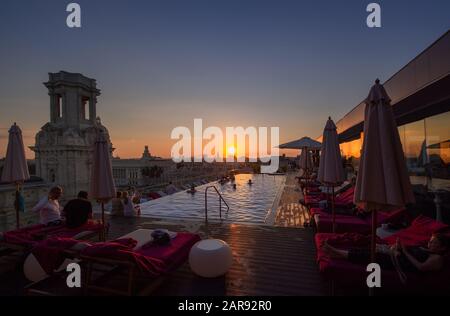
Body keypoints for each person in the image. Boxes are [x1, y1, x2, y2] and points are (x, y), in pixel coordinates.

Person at [322, 233, 449, 275]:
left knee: (370, 256)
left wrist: (404, 251)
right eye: (430, 241)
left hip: (398, 265)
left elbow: (421, 267)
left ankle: (335, 252)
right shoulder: (426, 250)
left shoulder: (437, 258)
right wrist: (399, 247)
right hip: (396, 256)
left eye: (434, 243)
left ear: (442, 247)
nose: (430, 244)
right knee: (368, 251)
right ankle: (336, 254)